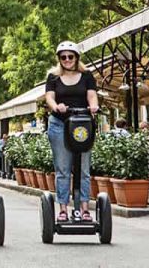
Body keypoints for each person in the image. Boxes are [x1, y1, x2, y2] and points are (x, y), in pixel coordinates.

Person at [44, 40, 99, 222]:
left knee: (83, 169)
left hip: (82, 125)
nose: (67, 60)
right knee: (63, 169)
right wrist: (56, 106)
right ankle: (63, 209)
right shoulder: (53, 77)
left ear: (76, 58)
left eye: (70, 56)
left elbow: (91, 95)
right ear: (59, 59)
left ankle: (84, 209)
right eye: (63, 57)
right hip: (59, 124)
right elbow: (49, 98)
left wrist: (93, 106)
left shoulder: (87, 76)